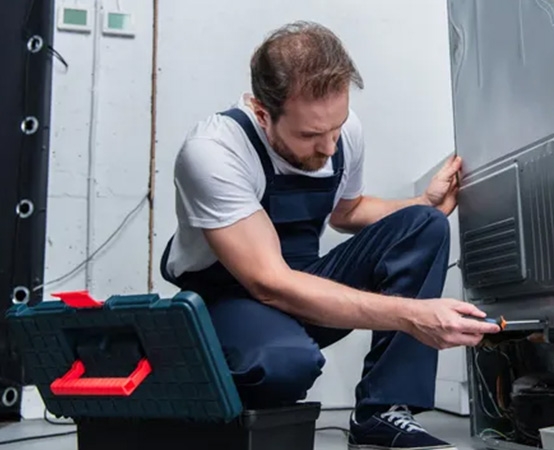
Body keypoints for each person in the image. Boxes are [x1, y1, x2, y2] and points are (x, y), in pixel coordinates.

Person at [160, 21, 500, 450]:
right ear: (262, 113)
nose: (328, 148)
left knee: (424, 224)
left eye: (335, 128)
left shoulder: (342, 131)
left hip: (303, 283)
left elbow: (347, 212)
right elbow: (269, 283)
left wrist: (423, 202)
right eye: (309, 136)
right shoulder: (214, 151)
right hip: (229, 299)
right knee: (285, 364)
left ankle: (381, 413)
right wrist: (412, 315)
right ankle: (218, 382)